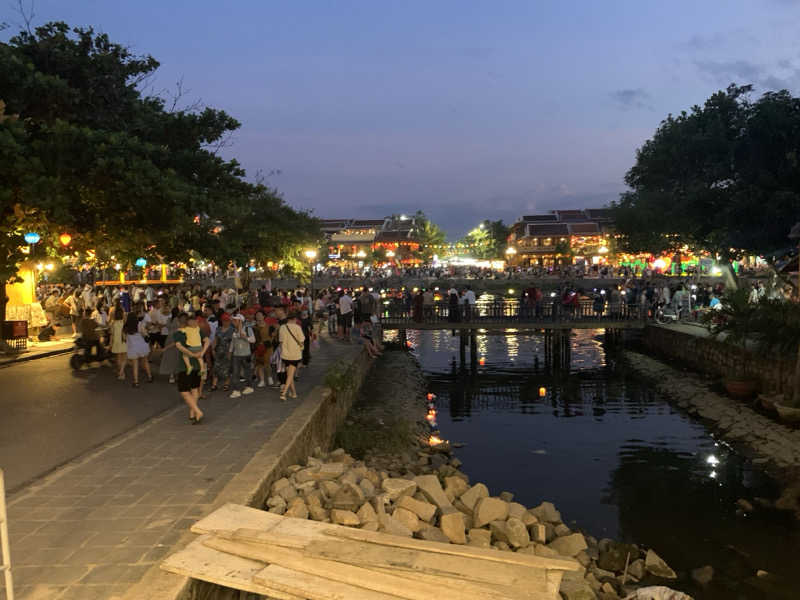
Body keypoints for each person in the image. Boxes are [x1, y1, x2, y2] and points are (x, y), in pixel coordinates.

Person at [173, 313, 208, 423]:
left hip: (185, 366)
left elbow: (179, 346)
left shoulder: (178, 333)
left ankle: (197, 411)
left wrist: (191, 354)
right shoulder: (196, 329)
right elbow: (208, 341)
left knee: (184, 391)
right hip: (198, 364)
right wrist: (201, 353)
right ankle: (192, 412)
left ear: (179, 321)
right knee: (194, 389)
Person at [278, 312, 305, 401]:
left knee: (289, 374)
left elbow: (281, 342)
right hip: (295, 354)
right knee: (290, 376)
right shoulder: (297, 327)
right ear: (295, 319)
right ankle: (284, 393)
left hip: (285, 354)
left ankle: (294, 393)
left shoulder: (282, 327)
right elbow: (301, 340)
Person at [229, 314, 255, 398]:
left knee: (247, 372)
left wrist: (245, 337)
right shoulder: (234, 330)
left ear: (240, 321)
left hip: (246, 354)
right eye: (233, 320)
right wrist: (230, 351)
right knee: (235, 373)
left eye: (235, 320)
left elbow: (253, 340)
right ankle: (236, 390)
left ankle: (249, 387)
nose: (233, 322)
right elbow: (232, 342)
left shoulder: (248, 328)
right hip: (236, 354)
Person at [123, 312, 152, 387]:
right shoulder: (139, 325)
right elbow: (145, 335)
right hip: (142, 346)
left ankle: (136, 382)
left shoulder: (126, 327)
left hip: (133, 348)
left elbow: (124, 339)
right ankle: (150, 377)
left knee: (135, 364)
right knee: (145, 361)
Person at [212, 313, 234, 391]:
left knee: (227, 368)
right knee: (216, 367)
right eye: (224, 320)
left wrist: (230, 352)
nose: (226, 322)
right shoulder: (218, 329)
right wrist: (213, 349)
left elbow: (233, 342)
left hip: (228, 351)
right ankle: (214, 385)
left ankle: (226, 384)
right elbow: (215, 339)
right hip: (219, 350)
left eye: (227, 320)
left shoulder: (232, 329)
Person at [109, 306, 127, 380]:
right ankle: (122, 372)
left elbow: (112, 334)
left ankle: (121, 373)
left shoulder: (113, 323)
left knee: (118, 358)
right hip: (124, 341)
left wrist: (110, 344)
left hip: (116, 342)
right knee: (125, 357)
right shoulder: (124, 322)